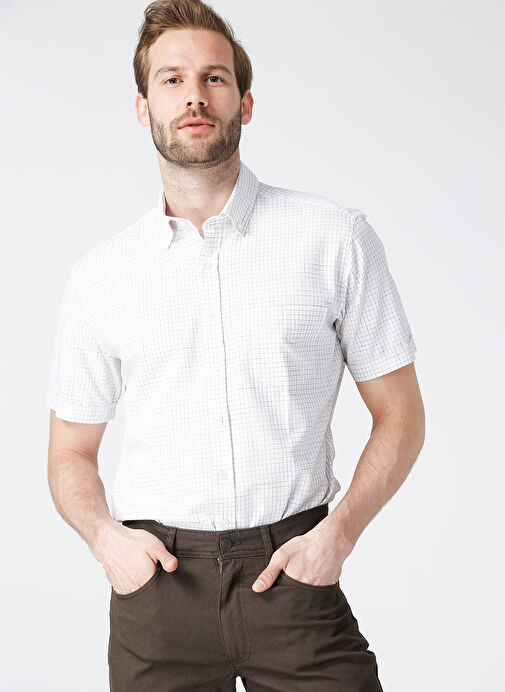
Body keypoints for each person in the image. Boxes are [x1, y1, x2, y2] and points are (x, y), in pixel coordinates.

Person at [46, 0, 425, 689]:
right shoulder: (101, 276)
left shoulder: (332, 238)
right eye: (171, 79)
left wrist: (337, 535)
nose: (193, 95)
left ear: (244, 103)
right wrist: (105, 540)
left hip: (293, 578)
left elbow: (400, 414)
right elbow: (69, 451)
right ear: (143, 107)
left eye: (213, 78)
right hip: (158, 594)